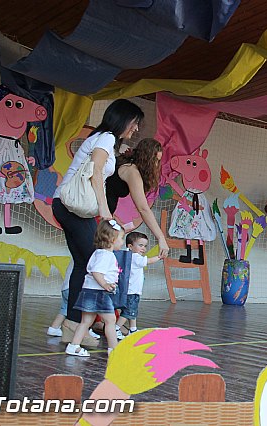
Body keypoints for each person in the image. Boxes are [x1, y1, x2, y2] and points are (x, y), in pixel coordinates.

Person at [52, 101, 168, 345]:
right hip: (74, 208)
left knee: (85, 264)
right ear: (123, 120)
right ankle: (84, 324)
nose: (136, 129)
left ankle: (73, 326)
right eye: (135, 123)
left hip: (68, 207)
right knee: (96, 263)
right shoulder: (106, 139)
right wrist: (105, 212)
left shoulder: (106, 141)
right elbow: (95, 174)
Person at [65, 220, 124, 357]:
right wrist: (105, 285)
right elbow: (97, 272)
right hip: (99, 293)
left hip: (89, 291)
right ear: (112, 239)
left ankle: (74, 346)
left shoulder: (98, 253)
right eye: (121, 238)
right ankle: (114, 349)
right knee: (110, 321)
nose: (122, 242)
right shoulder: (106, 255)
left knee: (86, 321)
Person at [115, 231, 161, 337]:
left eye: (145, 246)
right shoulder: (134, 257)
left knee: (132, 311)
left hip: (131, 290)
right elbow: (147, 261)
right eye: (140, 245)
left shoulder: (128, 255)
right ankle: (115, 328)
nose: (143, 248)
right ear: (130, 246)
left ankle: (133, 329)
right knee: (128, 312)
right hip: (132, 291)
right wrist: (159, 257)